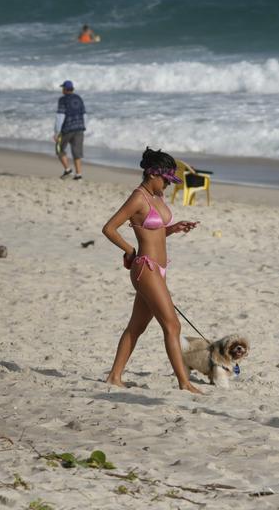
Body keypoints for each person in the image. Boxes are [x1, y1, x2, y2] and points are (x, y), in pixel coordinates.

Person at [102, 147, 202, 393]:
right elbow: (109, 228)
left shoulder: (158, 196)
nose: (167, 185)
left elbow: (155, 231)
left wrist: (174, 228)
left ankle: (114, 376)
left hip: (160, 269)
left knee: (136, 327)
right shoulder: (138, 197)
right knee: (173, 326)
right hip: (145, 267)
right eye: (166, 180)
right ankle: (184, 383)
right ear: (152, 175)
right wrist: (129, 250)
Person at [53, 80, 86, 181]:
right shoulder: (79, 98)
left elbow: (60, 116)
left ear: (65, 89)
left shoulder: (63, 100)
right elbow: (84, 114)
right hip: (80, 127)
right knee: (77, 152)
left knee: (59, 149)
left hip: (67, 128)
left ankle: (67, 170)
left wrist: (57, 132)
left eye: (63, 88)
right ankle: (78, 174)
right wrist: (83, 126)